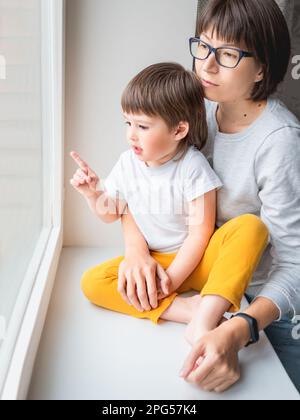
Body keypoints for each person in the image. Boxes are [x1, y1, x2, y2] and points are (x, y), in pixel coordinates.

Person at [117, 0, 300, 393]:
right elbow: (136, 181)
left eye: (228, 54)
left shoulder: (279, 142)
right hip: (199, 278)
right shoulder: (194, 106)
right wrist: (135, 250)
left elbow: (295, 265)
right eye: (203, 46)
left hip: (265, 307)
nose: (207, 66)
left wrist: (240, 328)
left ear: (263, 68)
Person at [70, 62, 268, 345]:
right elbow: (112, 213)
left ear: (178, 130)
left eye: (143, 126)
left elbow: (200, 234)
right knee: (92, 282)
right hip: (153, 262)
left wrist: (170, 282)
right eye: (128, 123)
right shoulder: (128, 163)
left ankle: (210, 305)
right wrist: (92, 193)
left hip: (198, 260)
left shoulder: (192, 167)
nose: (131, 135)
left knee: (250, 227)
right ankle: (187, 311)